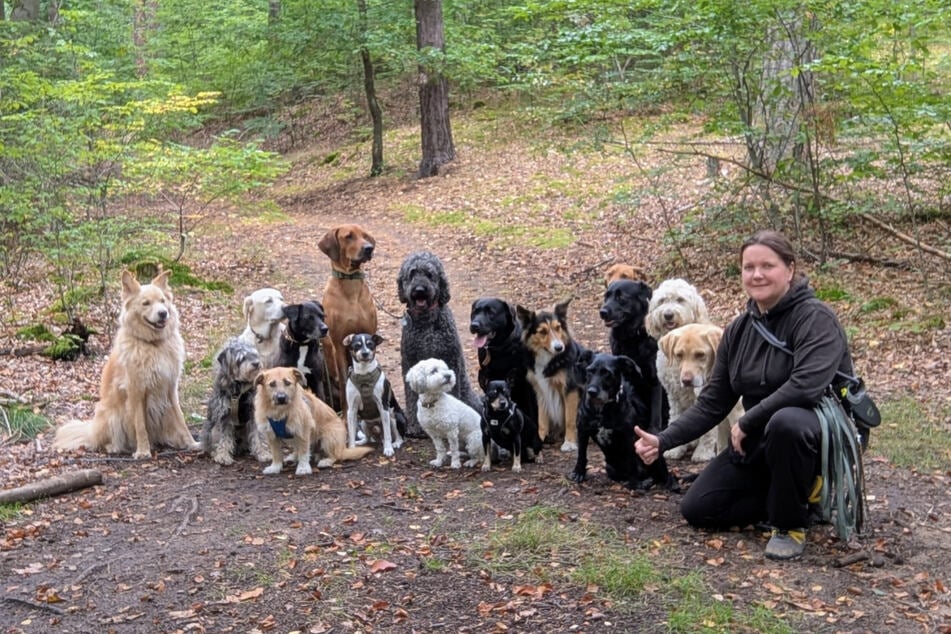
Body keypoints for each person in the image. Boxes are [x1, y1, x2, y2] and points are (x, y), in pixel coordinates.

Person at [634, 230, 854, 560]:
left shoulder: (816, 319)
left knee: (786, 422)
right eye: (749, 267)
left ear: (790, 270)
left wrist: (748, 420)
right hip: (759, 439)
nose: (757, 274)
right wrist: (663, 440)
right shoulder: (739, 330)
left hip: (812, 433)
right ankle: (799, 494)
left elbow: (805, 387)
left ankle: (789, 524)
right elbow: (714, 401)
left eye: (768, 265)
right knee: (700, 508)